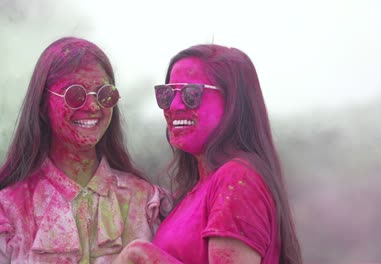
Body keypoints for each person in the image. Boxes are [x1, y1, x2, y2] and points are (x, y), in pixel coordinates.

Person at [115, 44, 302, 263]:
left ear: (233, 103)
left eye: (191, 94)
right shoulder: (199, 186)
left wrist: (140, 254)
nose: (174, 106)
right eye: (167, 94)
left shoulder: (237, 178)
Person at [0, 37, 169, 263]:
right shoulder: (9, 210)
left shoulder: (146, 202)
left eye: (104, 94)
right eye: (75, 94)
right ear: (42, 104)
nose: (92, 106)